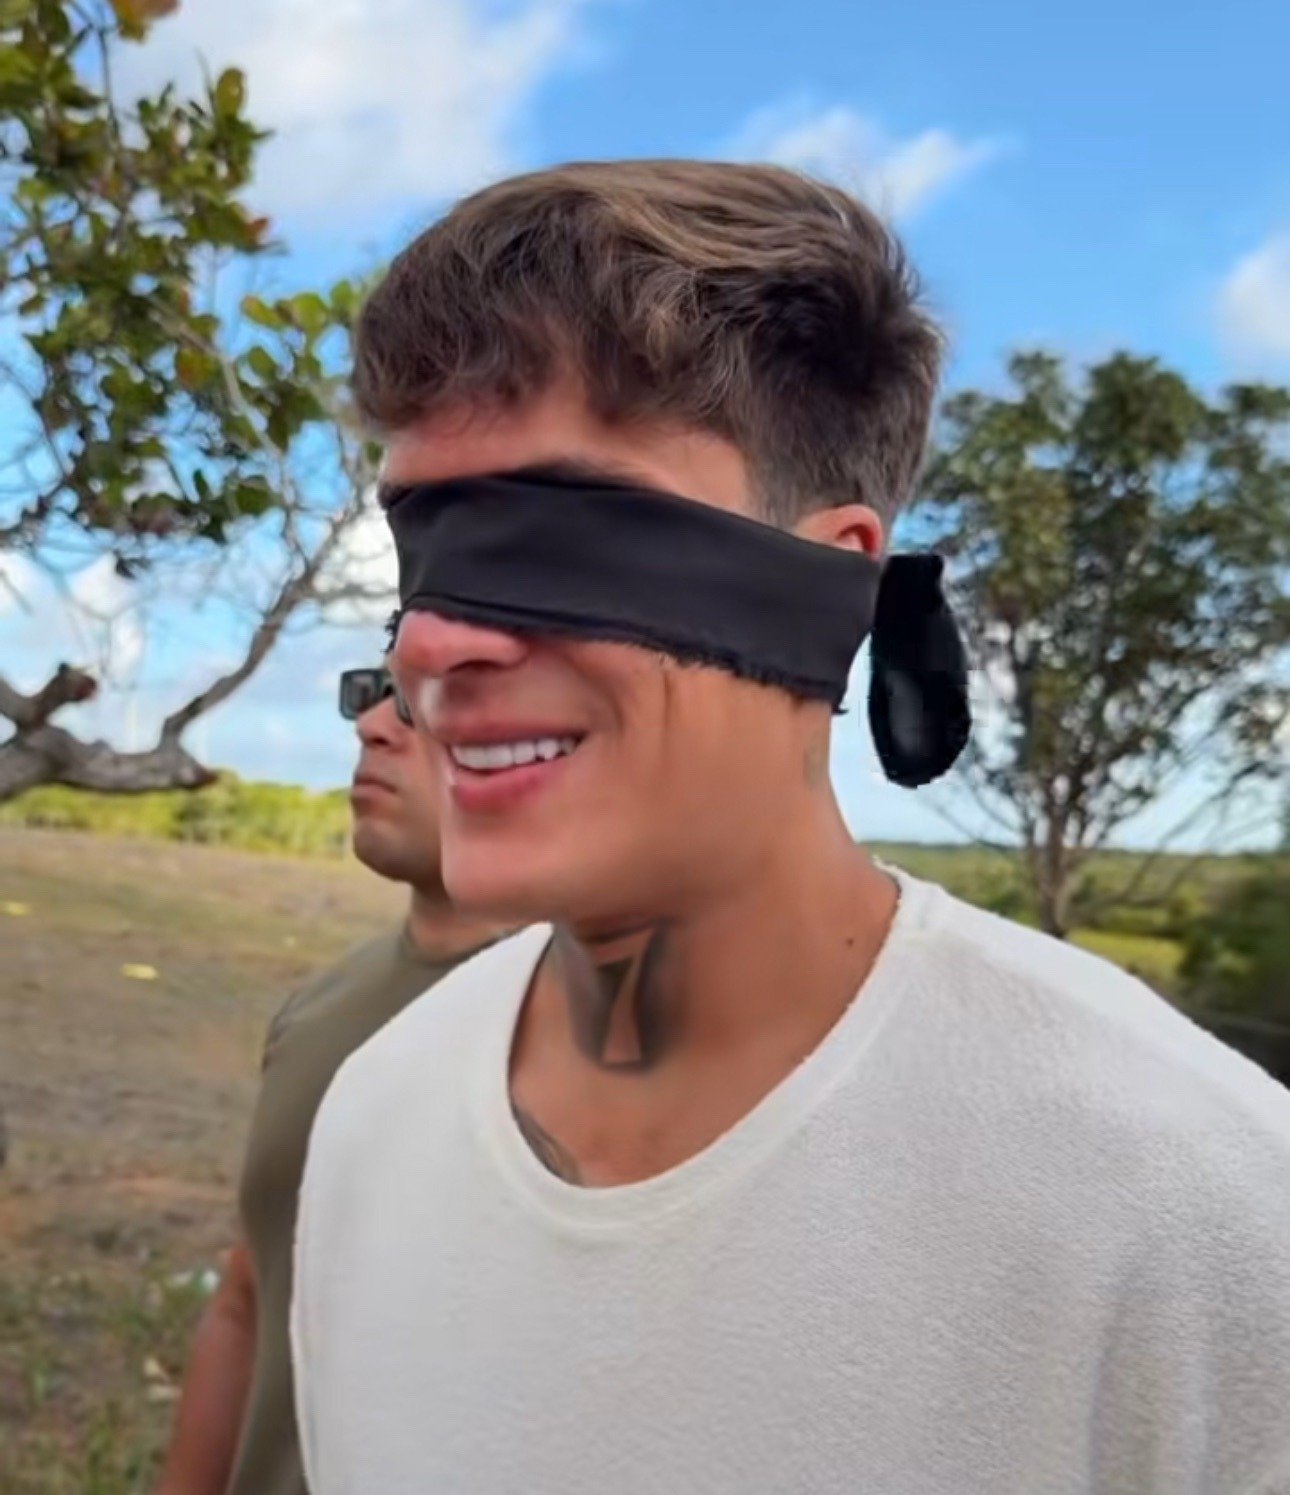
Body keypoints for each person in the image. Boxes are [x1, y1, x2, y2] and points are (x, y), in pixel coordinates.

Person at [291, 161, 1290, 1495]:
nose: (429, 645)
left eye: (558, 539)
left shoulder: (1203, 1220)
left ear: (829, 583)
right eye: (424, 551)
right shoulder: (376, 1112)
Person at [155, 667, 502, 1495]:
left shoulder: (604, 1037)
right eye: (373, 691)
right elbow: (249, 1295)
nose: (371, 726)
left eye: (418, 700)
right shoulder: (317, 1010)